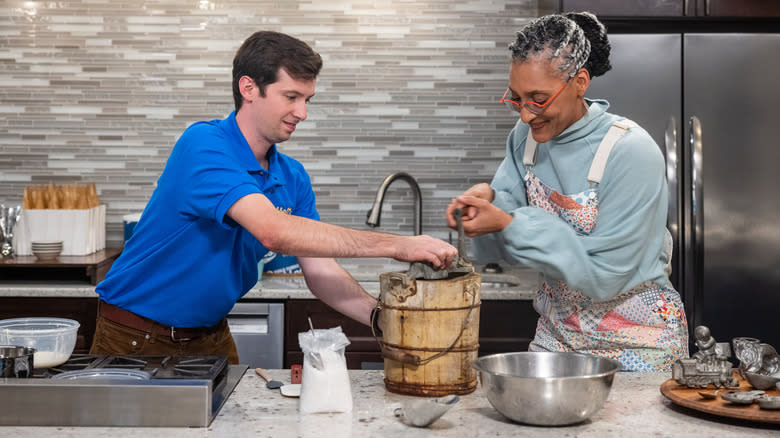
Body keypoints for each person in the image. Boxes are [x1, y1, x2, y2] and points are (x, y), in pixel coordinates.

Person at [91, 31, 457, 363]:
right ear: (249, 88)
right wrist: (398, 245)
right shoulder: (203, 144)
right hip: (134, 335)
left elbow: (320, 268)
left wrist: (382, 320)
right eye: (291, 97)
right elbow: (272, 231)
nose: (303, 113)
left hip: (210, 336)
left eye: (307, 99)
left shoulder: (291, 176)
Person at [446, 12, 688, 371]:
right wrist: (486, 207)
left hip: (640, 344)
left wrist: (510, 222)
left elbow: (605, 276)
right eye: (516, 99)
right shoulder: (525, 140)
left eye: (539, 99)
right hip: (557, 338)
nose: (527, 115)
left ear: (580, 82)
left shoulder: (630, 151)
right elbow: (506, 246)